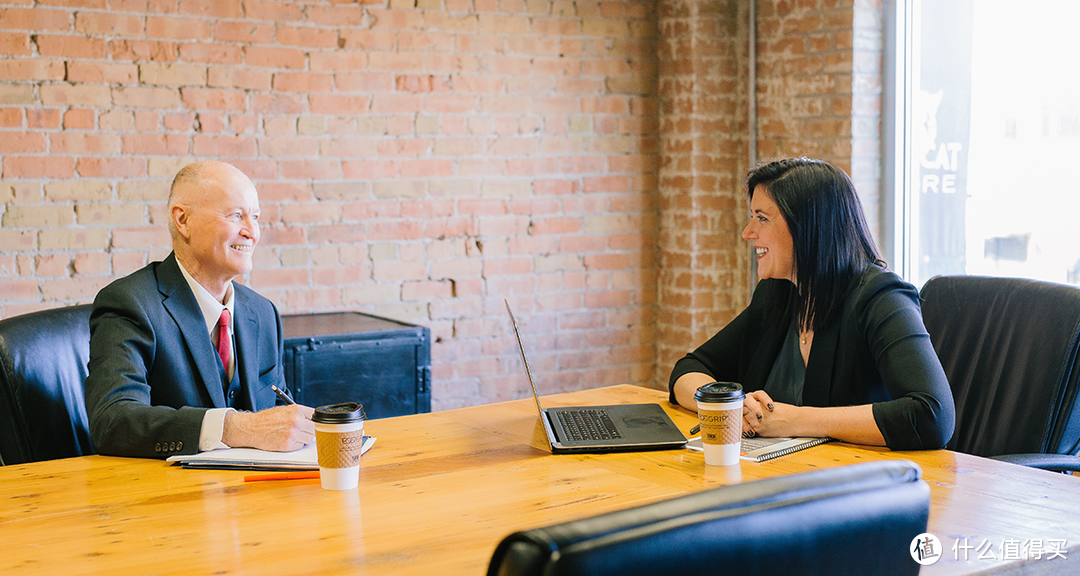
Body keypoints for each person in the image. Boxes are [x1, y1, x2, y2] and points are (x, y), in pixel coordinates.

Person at [669, 158, 954, 450]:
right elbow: (689, 369)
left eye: (762, 218)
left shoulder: (882, 298)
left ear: (807, 226)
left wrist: (793, 420)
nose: (748, 232)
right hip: (784, 477)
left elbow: (932, 416)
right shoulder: (777, 294)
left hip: (858, 482)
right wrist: (730, 409)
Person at [84, 160, 315, 459]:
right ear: (183, 220)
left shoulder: (262, 312)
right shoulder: (129, 303)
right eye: (236, 215)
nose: (252, 232)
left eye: (255, 217)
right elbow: (112, 422)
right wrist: (234, 427)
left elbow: (278, 418)